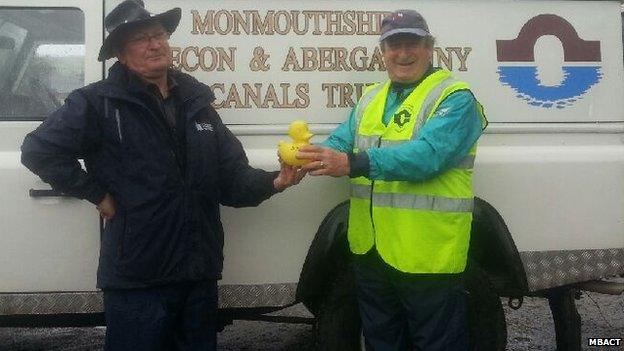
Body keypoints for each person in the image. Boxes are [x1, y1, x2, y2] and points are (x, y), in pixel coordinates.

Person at [20, 1, 304, 350]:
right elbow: (38, 150)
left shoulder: (197, 104)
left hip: (197, 274)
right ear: (121, 55)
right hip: (138, 279)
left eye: (158, 34)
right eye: (141, 39)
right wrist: (94, 192)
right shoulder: (97, 103)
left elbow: (231, 179)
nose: (154, 44)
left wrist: (276, 182)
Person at [297, 9, 487, 351]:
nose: (403, 53)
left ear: (429, 48)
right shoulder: (371, 97)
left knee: (438, 344)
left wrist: (352, 162)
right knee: (382, 342)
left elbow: (428, 156)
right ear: (383, 52)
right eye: (394, 45)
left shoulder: (455, 98)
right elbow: (342, 141)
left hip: (428, 256)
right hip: (372, 253)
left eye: (412, 43)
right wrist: (311, 157)